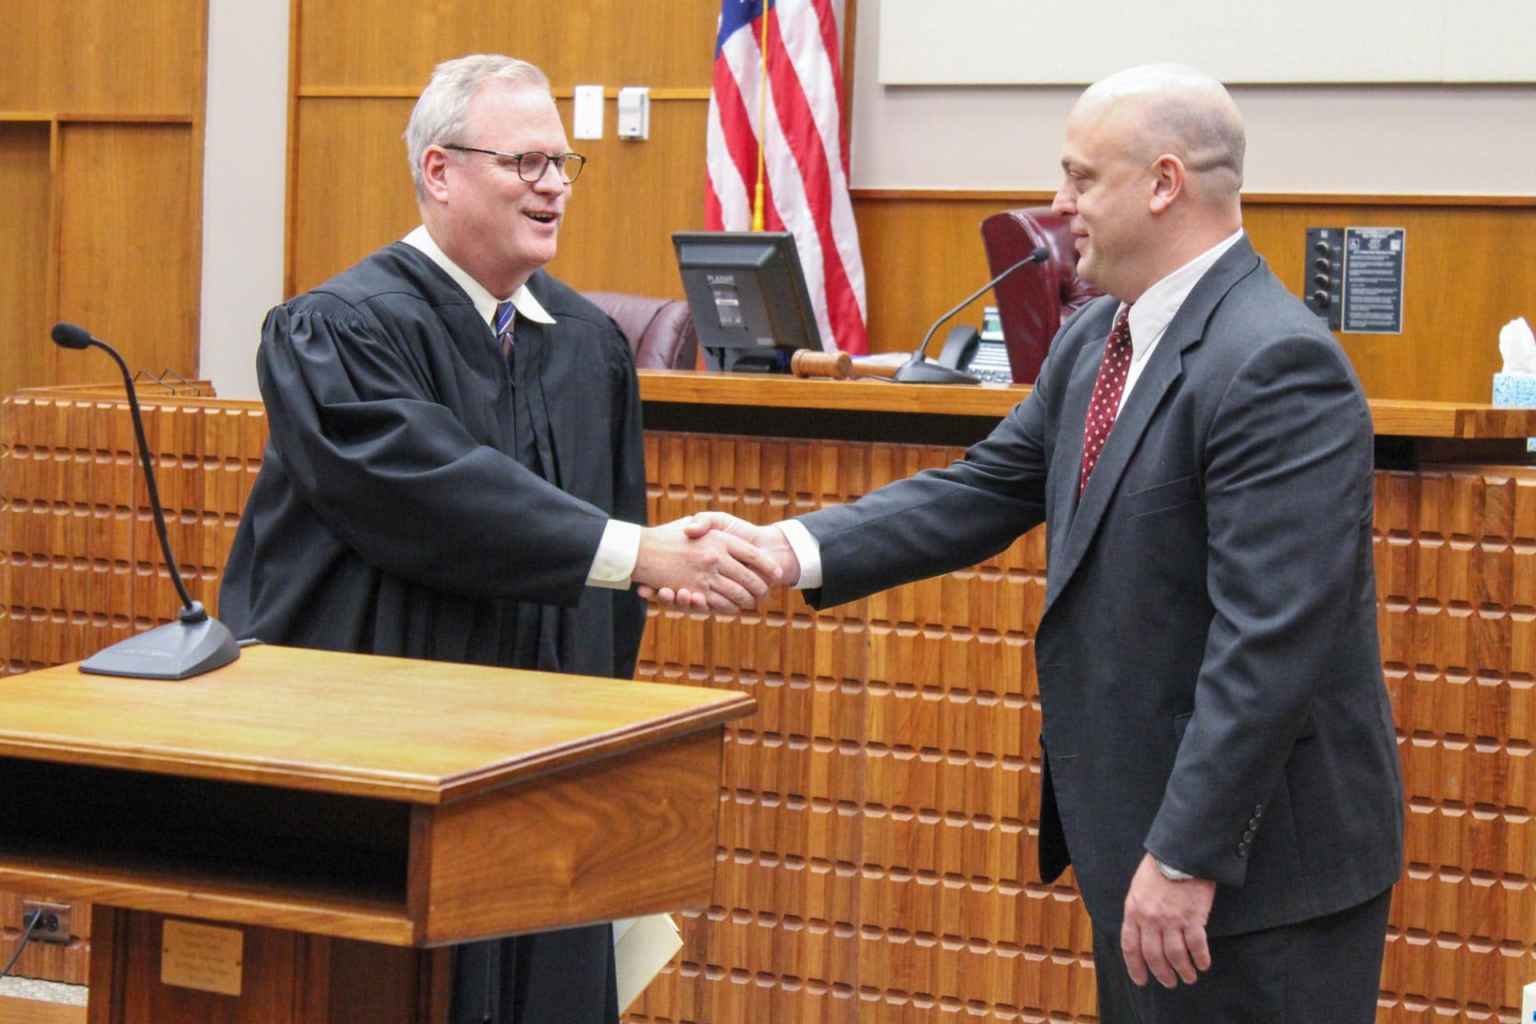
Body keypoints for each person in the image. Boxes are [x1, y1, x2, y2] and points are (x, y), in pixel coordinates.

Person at [652, 65, 1404, 1022]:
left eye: (1081, 179)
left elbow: (1272, 643)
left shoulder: (1276, 362)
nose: (1058, 205)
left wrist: (1186, 853)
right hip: (1139, 848)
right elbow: (980, 490)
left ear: (1164, 183)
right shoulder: (1099, 338)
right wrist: (783, 547)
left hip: (1255, 880)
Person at [220, 54, 777, 1024]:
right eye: (526, 162)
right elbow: (429, 495)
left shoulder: (587, 345)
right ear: (439, 172)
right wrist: (636, 551)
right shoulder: (342, 330)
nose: (554, 184)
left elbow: (612, 584)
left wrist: (604, 755)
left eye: (562, 162)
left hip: (541, 781)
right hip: (376, 776)